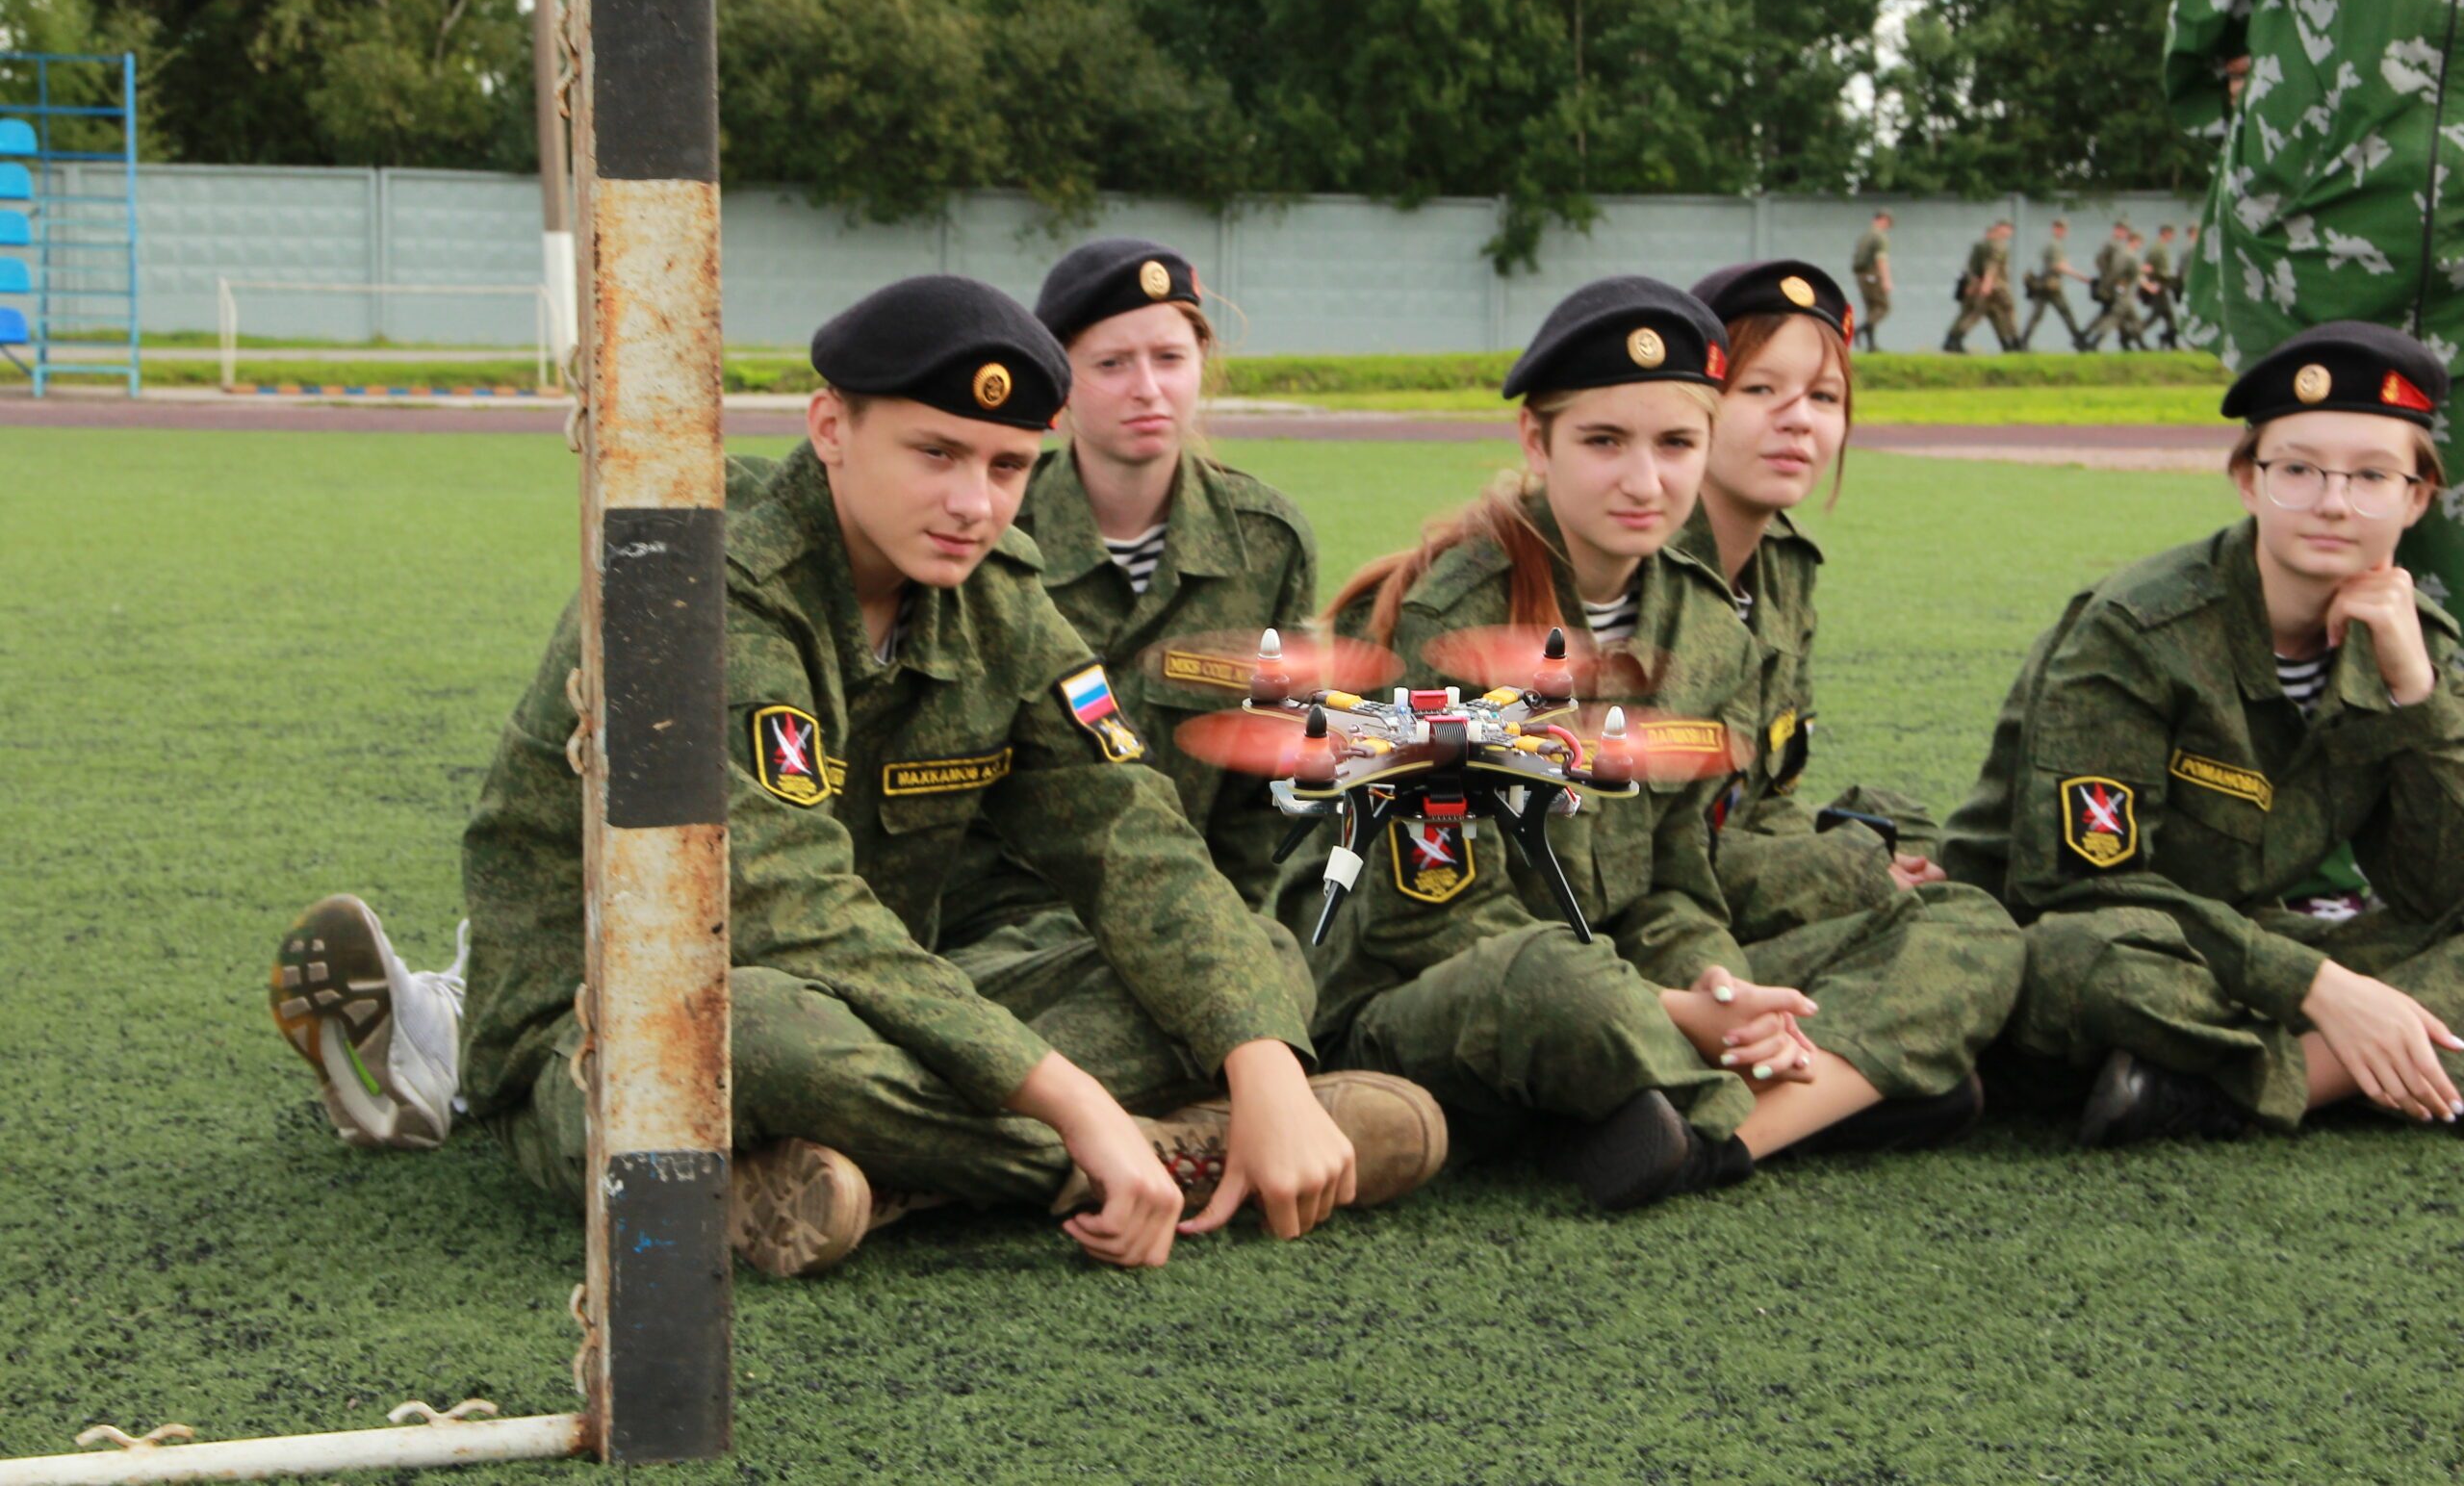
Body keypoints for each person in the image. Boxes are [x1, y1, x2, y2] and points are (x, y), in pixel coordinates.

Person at [272, 274, 1445, 1275]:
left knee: (1245, 956)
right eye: (934, 453)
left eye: (1002, 464)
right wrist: (1080, 1112)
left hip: (889, 1002)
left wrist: (1265, 1063)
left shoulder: (994, 600)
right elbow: (787, 913)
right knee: (750, 1039)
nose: (973, 503)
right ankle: (1156, 1159)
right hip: (617, 1014)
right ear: (830, 427)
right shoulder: (694, 578)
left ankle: (858, 1182)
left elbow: (1132, 838)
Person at [1284, 276, 2023, 1212]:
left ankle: (1695, 1133)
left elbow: (1677, 883)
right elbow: (1424, 923)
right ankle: (1816, 1090)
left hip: (1623, 976)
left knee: (1968, 930)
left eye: (1676, 444)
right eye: (1603, 442)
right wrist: (1685, 1013)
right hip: (1431, 999)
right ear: (1535, 440)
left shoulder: (1704, 628)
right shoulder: (1438, 623)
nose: (1644, 482)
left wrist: (1715, 979)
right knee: (1562, 987)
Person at [1941, 321, 2464, 1146]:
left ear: (2417, 497)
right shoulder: (2138, 628)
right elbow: (2078, 887)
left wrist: (2416, 695)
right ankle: (2341, 1066)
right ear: (2248, 481)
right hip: (2086, 939)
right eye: (2298, 469)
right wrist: (2320, 987)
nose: (2333, 501)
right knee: (2089, 963)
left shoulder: (2419, 648)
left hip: (2242, 948)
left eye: (2371, 476)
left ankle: (2204, 1087)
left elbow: (2442, 891)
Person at [937, 239, 1315, 954]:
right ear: (1059, 382)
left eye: (1170, 358)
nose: (1148, 387)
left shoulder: (1267, 544)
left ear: (1202, 364)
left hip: (1197, 923)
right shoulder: (987, 532)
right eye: (1112, 364)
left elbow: (1266, 792)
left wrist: (1224, 928)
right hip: (1004, 929)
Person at [2167, 0, 2463, 619]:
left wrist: (2210, 68)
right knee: (2325, 508)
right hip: (2320, 193)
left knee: (2317, 499)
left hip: (2316, 172)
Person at [1678, 260, 1974, 939]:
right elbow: (1644, 854)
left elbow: (1766, 798)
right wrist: (1844, 873)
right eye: (1759, 388)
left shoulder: (1782, 562)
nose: (1799, 422)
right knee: (1953, 929)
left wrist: (1853, 855)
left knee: (1922, 837)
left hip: (1734, 857)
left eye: (1824, 397)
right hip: (1656, 913)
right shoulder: (1640, 565)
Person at [1943, 220, 2018, 353]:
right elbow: (1991, 266)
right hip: (1993, 286)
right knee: (2000, 311)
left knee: (1990, 314)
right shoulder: (1997, 246)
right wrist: (1986, 284)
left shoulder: (1979, 246)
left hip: (1977, 285)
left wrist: (1971, 283)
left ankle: (2007, 344)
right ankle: (2015, 342)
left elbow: (1971, 267)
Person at [2018, 218, 2090, 351]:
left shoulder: (2052, 244)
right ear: (2054, 229)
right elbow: (2059, 266)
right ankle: (2079, 341)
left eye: (2064, 229)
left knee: (2037, 315)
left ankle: (2023, 342)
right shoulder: (2054, 245)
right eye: (2060, 228)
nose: (2062, 231)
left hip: (2042, 284)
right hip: (2051, 285)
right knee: (2065, 312)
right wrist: (2080, 276)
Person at [2081, 222, 2145, 353]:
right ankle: (2095, 342)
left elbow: (2104, 264)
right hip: (2125, 294)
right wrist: (2121, 288)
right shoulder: (2130, 256)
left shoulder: (2122, 253)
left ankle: (2134, 344)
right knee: (2115, 318)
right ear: (2135, 241)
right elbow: (2130, 276)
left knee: (2117, 318)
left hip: (2120, 291)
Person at [1850, 210, 1893, 351]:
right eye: (1888, 222)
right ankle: (1860, 330)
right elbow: (1881, 260)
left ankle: (1871, 345)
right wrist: (1886, 280)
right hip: (1873, 275)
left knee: (1871, 309)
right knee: (1883, 307)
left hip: (1861, 276)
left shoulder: (1865, 236)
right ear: (1883, 220)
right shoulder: (1879, 237)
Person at [2140, 224, 2182, 350]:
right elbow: (2159, 270)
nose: (2173, 237)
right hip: (2158, 285)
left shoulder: (2156, 247)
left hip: (2156, 284)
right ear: (2166, 233)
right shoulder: (2159, 249)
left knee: (2168, 314)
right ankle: (2133, 333)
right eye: (2172, 233)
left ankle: (2171, 342)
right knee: (2157, 314)